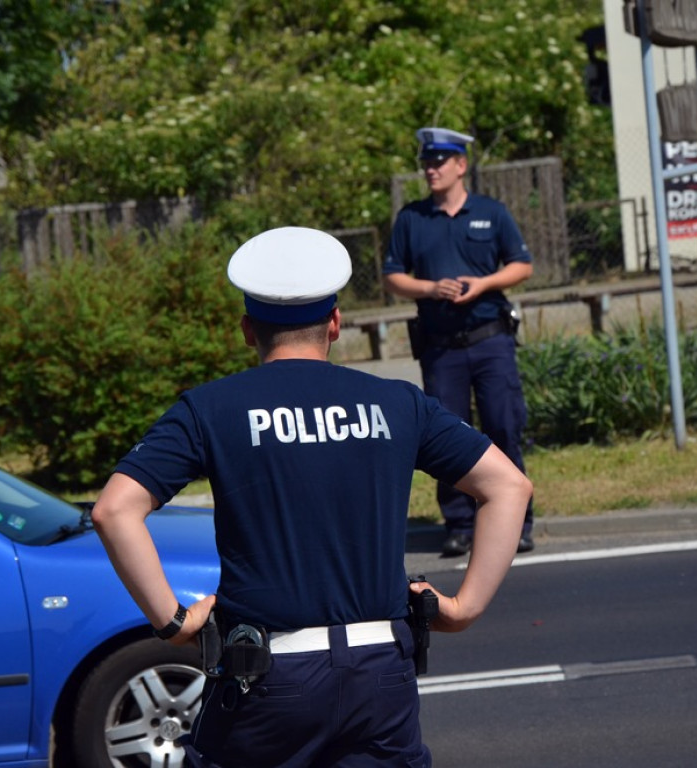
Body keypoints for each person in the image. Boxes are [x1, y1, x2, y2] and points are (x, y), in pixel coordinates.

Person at [92, 226, 532, 768]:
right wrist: (464, 609)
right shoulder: (397, 403)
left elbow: (114, 509)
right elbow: (509, 486)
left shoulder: (211, 409)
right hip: (381, 673)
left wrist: (174, 622)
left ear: (248, 331)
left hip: (269, 679)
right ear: (336, 324)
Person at [383, 126, 536, 558]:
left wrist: (483, 283)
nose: (430, 169)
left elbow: (522, 265)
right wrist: (431, 289)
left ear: (461, 165)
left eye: (439, 161)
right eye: (426, 162)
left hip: (491, 342)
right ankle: (460, 524)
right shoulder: (412, 218)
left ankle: (518, 521)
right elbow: (392, 277)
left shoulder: (491, 211)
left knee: (503, 427)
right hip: (441, 346)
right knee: (448, 437)